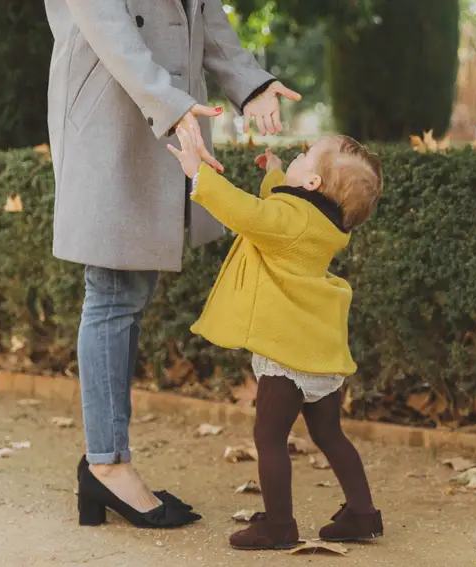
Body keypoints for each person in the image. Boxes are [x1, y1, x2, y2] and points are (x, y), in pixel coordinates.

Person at [43, 0, 301, 529]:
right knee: (113, 290)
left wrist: (249, 83)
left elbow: (202, 14)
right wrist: (169, 101)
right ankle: (107, 464)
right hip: (114, 107)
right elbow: (104, 21)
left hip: (164, 110)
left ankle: (105, 459)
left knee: (128, 291)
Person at [167, 126, 385, 550]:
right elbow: (279, 205)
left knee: (268, 438)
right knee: (329, 435)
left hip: (288, 355)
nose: (298, 156)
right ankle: (363, 514)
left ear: (313, 184)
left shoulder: (290, 222)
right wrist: (275, 171)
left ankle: (278, 526)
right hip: (319, 353)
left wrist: (200, 175)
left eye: (304, 156)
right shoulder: (320, 223)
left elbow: (250, 214)